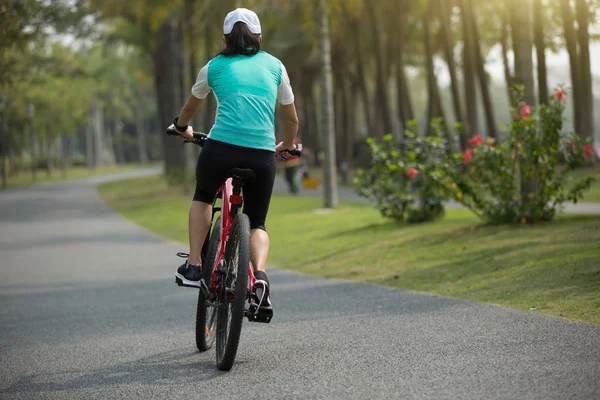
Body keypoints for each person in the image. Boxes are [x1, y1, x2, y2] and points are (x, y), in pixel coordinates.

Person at [169, 8, 299, 311]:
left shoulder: (213, 67)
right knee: (258, 222)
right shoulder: (275, 66)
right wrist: (287, 145)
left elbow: (189, 110)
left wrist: (180, 128)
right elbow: (291, 119)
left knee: (203, 196)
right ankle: (260, 278)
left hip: (220, 149)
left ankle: (194, 265)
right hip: (263, 155)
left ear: (226, 37)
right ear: (259, 36)